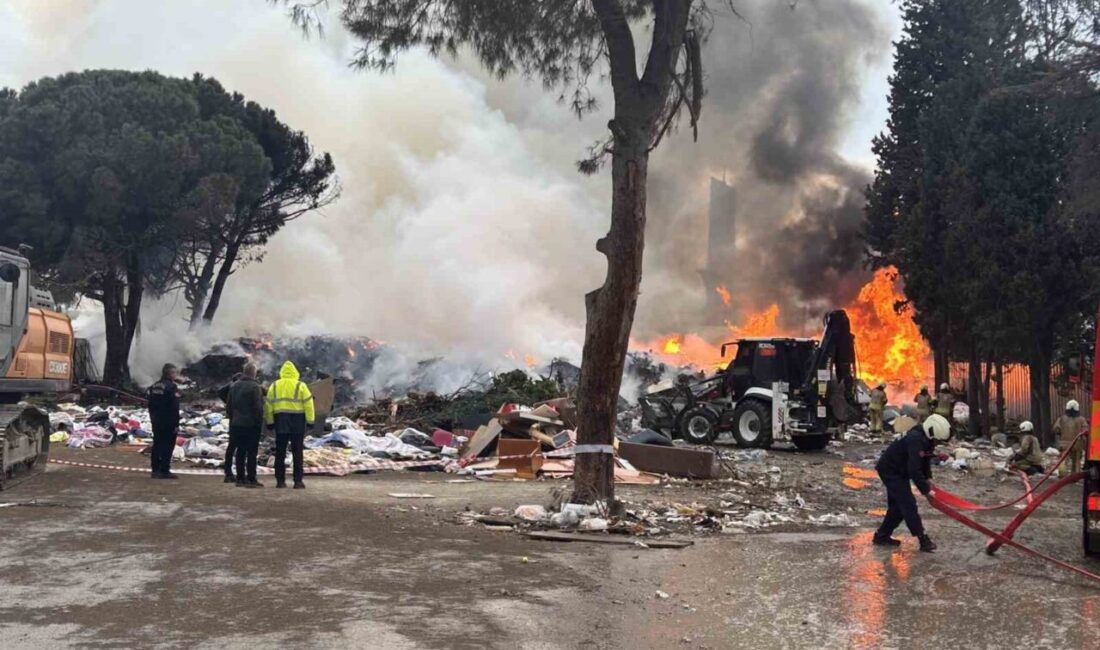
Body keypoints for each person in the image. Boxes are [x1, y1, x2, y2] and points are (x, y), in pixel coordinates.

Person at [873, 413, 952, 552]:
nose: (937, 443)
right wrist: (926, 491)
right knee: (908, 504)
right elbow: (914, 470)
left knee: (898, 507)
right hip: (891, 470)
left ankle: (882, 536)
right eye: (937, 440)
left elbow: (925, 459)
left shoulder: (926, 438)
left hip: (899, 469)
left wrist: (928, 479)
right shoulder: (916, 439)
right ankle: (923, 539)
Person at [264, 360, 314, 489]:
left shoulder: (274, 386)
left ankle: (280, 481)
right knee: (297, 452)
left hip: (280, 421)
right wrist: (310, 421)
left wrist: (270, 422)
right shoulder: (301, 385)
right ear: (295, 372)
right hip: (297, 421)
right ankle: (298, 481)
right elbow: (309, 404)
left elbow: (268, 406)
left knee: (280, 452)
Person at [227, 363, 265, 488]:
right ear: (254, 373)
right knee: (252, 452)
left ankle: (240, 478)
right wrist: (259, 422)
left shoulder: (234, 386)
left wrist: (233, 419)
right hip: (251, 424)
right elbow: (258, 407)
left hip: (237, 423)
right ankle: (251, 478)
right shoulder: (255, 387)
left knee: (240, 451)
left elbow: (229, 406)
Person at [146, 363, 181, 480]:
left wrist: (153, 418)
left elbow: (150, 404)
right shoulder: (171, 387)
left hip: (156, 420)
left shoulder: (154, 386)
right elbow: (174, 407)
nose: (176, 375)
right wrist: (176, 423)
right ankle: (165, 470)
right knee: (168, 445)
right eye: (174, 372)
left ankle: (155, 470)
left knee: (157, 444)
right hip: (168, 421)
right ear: (170, 374)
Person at [1053, 400, 1089, 476]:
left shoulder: (1061, 418)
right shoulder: (1081, 419)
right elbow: (1085, 431)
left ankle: (1062, 475)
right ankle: (1075, 475)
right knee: (1076, 462)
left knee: (1063, 461)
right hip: (1077, 444)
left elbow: (1056, 429)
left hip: (1064, 444)